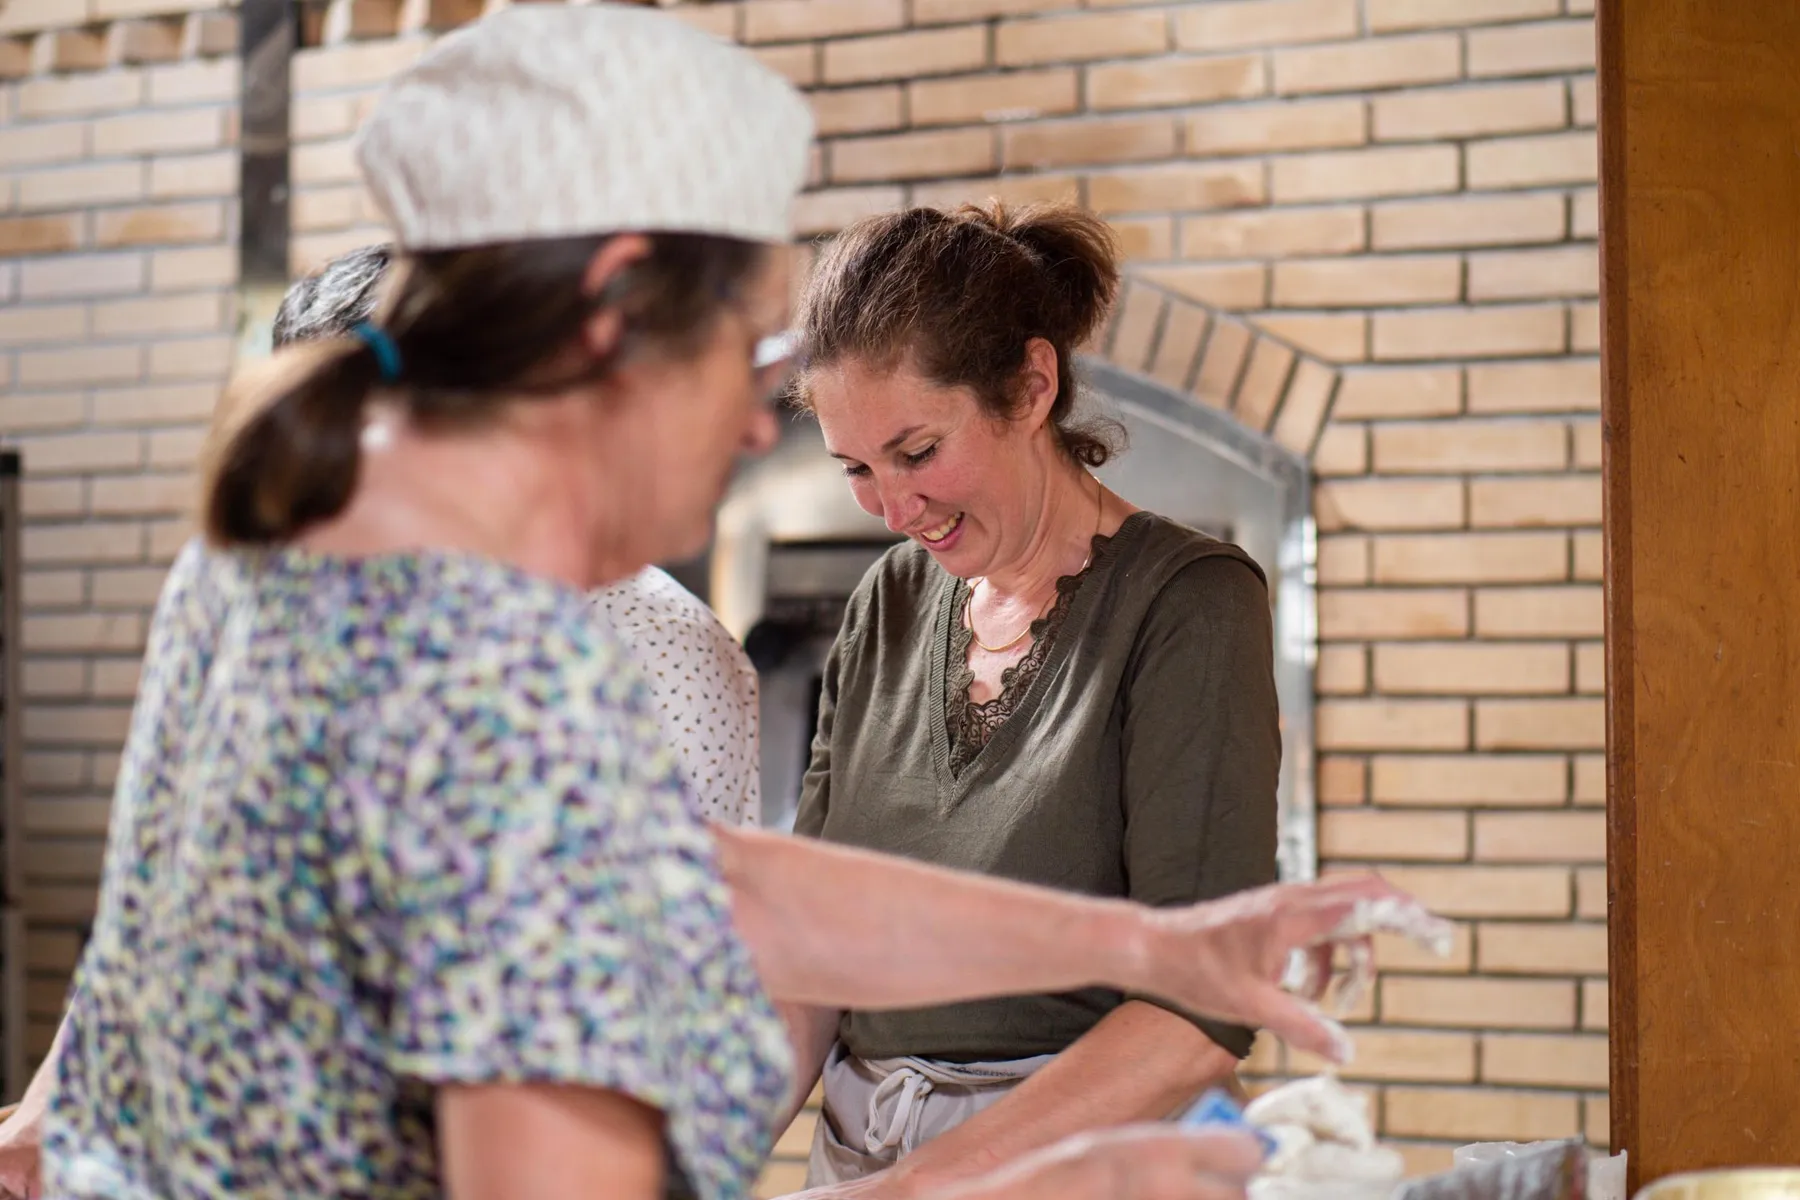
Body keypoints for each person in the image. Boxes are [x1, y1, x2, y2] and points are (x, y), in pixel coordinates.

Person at [28, 8, 1447, 1200]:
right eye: (743, 357)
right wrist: (1049, 1181)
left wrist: (1151, 948)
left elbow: (712, 884)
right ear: (608, 331)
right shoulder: (461, 643)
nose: (749, 431)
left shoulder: (320, 554)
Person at [787, 201, 1284, 1194]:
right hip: (857, 1159)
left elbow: (1199, 1017)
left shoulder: (1187, 604)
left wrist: (920, 1186)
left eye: (918, 451)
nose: (893, 508)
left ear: (1029, 387)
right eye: (856, 468)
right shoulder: (888, 602)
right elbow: (811, 947)